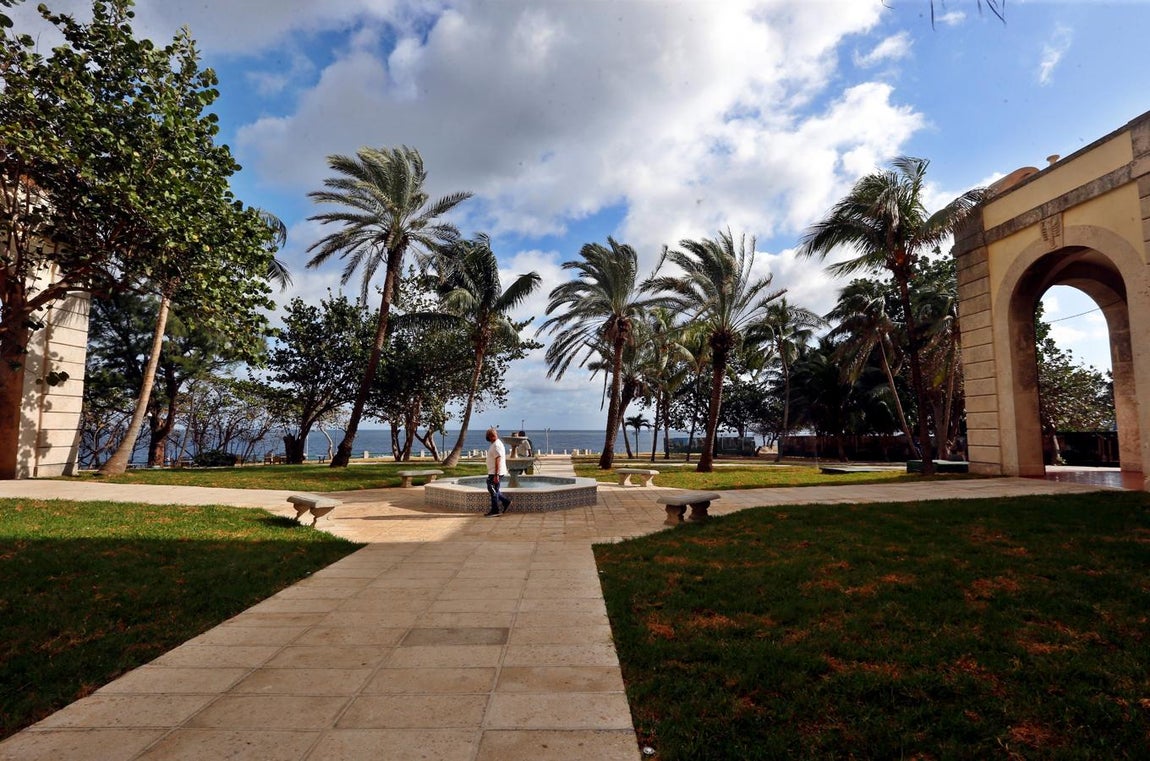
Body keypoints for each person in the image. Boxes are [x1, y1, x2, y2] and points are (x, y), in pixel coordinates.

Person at [484, 427, 512, 516]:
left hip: (496, 472)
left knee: (492, 490)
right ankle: (506, 502)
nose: (487, 438)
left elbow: (498, 459)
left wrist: (496, 474)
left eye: (488, 436)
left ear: (492, 436)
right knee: (494, 489)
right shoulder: (495, 444)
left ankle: (495, 510)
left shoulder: (496, 445)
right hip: (493, 472)